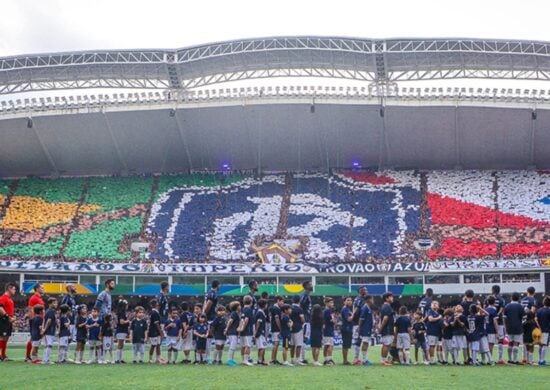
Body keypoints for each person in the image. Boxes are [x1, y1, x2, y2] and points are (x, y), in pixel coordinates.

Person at [486, 285, 506, 364]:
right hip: (499, 321)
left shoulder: (487, 298)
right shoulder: (502, 300)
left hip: (489, 323)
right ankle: (500, 359)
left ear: (492, 290)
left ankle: (489, 358)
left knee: (489, 342)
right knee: (500, 339)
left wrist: (492, 315)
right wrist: (496, 315)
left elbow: (485, 308)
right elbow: (501, 310)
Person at [25, 283, 45, 362]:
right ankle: (28, 356)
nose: (43, 289)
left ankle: (34, 356)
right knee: (34, 338)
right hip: (35, 320)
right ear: (37, 289)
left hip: (39, 319)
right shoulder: (34, 298)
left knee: (37, 339)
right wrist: (33, 320)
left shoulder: (39, 298)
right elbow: (31, 309)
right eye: (42, 288)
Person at [504, 292, 524, 365]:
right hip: (518, 327)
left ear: (511, 297)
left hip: (509, 326)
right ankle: (515, 360)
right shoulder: (520, 306)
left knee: (510, 343)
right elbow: (524, 318)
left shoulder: (507, 306)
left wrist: (506, 327)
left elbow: (505, 318)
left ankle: (510, 359)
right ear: (518, 298)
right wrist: (521, 324)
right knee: (516, 343)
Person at [203, 279, 220, 363]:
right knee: (208, 338)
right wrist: (204, 315)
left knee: (209, 339)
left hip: (210, 317)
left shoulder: (209, 293)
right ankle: (206, 357)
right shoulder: (212, 294)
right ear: (217, 285)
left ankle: (206, 357)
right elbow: (208, 304)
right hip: (209, 318)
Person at [520, 286, 538, 364]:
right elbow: (532, 311)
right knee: (531, 341)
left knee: (524, 340)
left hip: (522, 322)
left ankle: (524, 358)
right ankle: (530, 361)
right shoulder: (533, 300)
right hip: (530, 322)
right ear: (534, 292)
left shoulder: (522, 300)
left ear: (527, 291)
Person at [0, 282, 16, 362]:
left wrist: (12, 317)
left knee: (5, 338)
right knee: (2, 337)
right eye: (14, 289)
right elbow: (0, 308)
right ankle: (1, 356)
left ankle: (3, 355)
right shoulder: (3, 297)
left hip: (8, 320)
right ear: (9, 288)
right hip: (3, 319)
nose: (15, 291)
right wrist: (7, 317)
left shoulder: (9, 299)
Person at [351, 286, 367, 364]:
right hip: (357, 323)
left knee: (359, 340)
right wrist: (353, 316)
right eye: (364, 290)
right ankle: (355, 359)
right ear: (360, 291)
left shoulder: (360, 299)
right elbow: (356, 309)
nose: (366, 291)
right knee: (357, 340)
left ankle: (357, 358)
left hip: (359, 322)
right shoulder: (360, 299)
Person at [379, 292, 395, 366]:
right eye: (391, 297)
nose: (392, 298)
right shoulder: (387, 307)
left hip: (386, 328)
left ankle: (383, 360)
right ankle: (384, 361)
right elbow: (385, 318)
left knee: (385, 345)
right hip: (387, 328)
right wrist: (381, 327)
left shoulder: (384, 306)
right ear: (386, 298)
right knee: (387, 344)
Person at [61, 283, 78, 354]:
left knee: (70, 339)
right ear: (69, 288)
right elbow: (63, 307)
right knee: (66, 338)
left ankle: (65, 355)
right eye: (73, 287)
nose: (75, 288)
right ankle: (62, 356)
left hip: (73, 320)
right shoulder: (66, 297)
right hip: (68, 320)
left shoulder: (73, 298)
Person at [299, 280, 313, 363]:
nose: (311, 285)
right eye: (310, 284)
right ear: (306, 286)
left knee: (305, 338)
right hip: (305, 320)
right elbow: (300, 306)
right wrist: (302, 317)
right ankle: (301, 358)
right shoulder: (304, 295)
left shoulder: (307, 295)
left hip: (307, 320)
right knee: (303, 338)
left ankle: (302, 357)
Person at [238, 295, 254, 366]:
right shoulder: (249, 310)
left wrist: (240, 328)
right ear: (251, 302)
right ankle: (245, 360)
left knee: (243, 346)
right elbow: (246, 319)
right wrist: (243, 328)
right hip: (247, 330)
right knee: (248, 346)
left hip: (243, 331)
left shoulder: (242, 309)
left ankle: (243, 360)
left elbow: (242, 320)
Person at [358, 295, 374, 366]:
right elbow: (361, 319)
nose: (373, 301)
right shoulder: (365, 308)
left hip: (367, 328)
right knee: (365, 343)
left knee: (366, 343)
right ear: (368, 300)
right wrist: (360, 328)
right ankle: (364, 360)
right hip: (365, 329)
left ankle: (365, 359)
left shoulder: (368, 308)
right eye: (372, 299)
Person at [41, 297, 58, 365]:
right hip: (49, 331)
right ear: (50, 304)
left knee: (48, 345)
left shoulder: (49, 311)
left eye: (56, 303)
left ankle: (46, 359)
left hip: (50, 331)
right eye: (54, 303)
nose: (56, 304)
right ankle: (46, 360)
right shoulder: (50, 311)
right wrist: (44, 329)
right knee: (49, 345)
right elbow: (48, 321)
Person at [224, 300, 241, 367]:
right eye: (239, 305)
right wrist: (226, 329)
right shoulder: (234, 313)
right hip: (232, 332)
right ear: (236, 307)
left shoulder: (235, 313)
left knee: (233, 346)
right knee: (232, 346)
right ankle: (229, 359)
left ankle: (231, 359)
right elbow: (230, 321)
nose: (240, 306)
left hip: (233, 332)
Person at [290, 295, 305, 365]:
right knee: (298, 345)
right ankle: (298, 359)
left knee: (292, 345)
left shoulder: (289, 308)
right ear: (299, 301)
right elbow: (302, 320)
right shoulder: (299, 309)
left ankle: (292, 359)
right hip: (298, 328)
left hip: (290, 328)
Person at [535, 296, 550, 365]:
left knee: (540, 345)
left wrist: (539, 326)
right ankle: (542, 360)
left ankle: (540, 359)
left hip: (539, 330)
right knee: (544, 345)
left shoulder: (539, 310)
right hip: (546, 330)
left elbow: (536, 319)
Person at [426, 300, 442, 365]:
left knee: (434, 346)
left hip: (437, 332)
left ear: (438, 306)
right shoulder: (430, 311)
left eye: (436, 303)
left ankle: (433, 359)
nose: (435, 304)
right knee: (431, 345)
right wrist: (439, 318)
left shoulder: (437, 313)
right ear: (431, 306)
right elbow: (430, 319)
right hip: (431, 331)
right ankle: (431, 360)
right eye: (433, 303)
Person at [269, 296, 284, 365]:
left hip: (274, 327)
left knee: (276, 343)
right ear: (278, 300)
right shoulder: (276, 309)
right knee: (276, 343)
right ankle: (273, 359)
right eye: (282, 301)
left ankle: (274, 359)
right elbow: (277, 319)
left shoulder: (274, 308)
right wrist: (280, 328)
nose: (283, 303)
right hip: (276, 328)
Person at [484, 296, 500, 361]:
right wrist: (497, 332)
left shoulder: (485, 310)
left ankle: (484, 359)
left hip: (485, 329)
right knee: (491, 345)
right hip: (491, 329)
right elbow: (495, 322)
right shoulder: (493, 310)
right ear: (494, 302)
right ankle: (490, 359)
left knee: (486, 345)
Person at [148, 299, 163, 364]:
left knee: (158, 345)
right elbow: (156, 323)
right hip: (154, 331)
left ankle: (158, 359)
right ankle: (151, 359)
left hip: (155, 331)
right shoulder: (154, 313)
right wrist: (160, 331)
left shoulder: (155, 312)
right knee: (153, 345)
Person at [115, 299, 130, 364]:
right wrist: (128, 321)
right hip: (121, 330)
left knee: (121, 344)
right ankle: (118, 359)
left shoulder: (121, 312)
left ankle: (120, 359)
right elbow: (121, 322)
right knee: (120, 344)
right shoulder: (122, 313)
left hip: (122, 330)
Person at [254, 299, 268, 365]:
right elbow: (258, 323)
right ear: (264, 305)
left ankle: (260, 360)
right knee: (262, 347)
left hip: (260, 332)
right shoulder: (260, 312)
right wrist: (256, 332)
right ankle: (260, 360)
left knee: (260, 347)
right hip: (260, 332)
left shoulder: (261, 312)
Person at [340, 297, 353, 365]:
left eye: (350, 300)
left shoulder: (348, 309)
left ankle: (346, 360)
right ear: (344, 302)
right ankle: (345, 360)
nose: (350, 302)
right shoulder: (345, 309)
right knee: (345, 345)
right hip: (346, 328)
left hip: (348, 328)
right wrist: (354, 314)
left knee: (347, 345)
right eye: (348, 300)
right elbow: (349, 319)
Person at [322, 297, 336, 365]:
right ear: (326, 303)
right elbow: (332, 320)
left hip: (326, 329)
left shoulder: (325, 310)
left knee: (326, 345)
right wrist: (334, 320)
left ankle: (326, 359)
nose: (332, 304)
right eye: (331, 302)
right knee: (330, 345)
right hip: (329, 329)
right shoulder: (328, 311)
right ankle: (329, 359)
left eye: (332, 302)